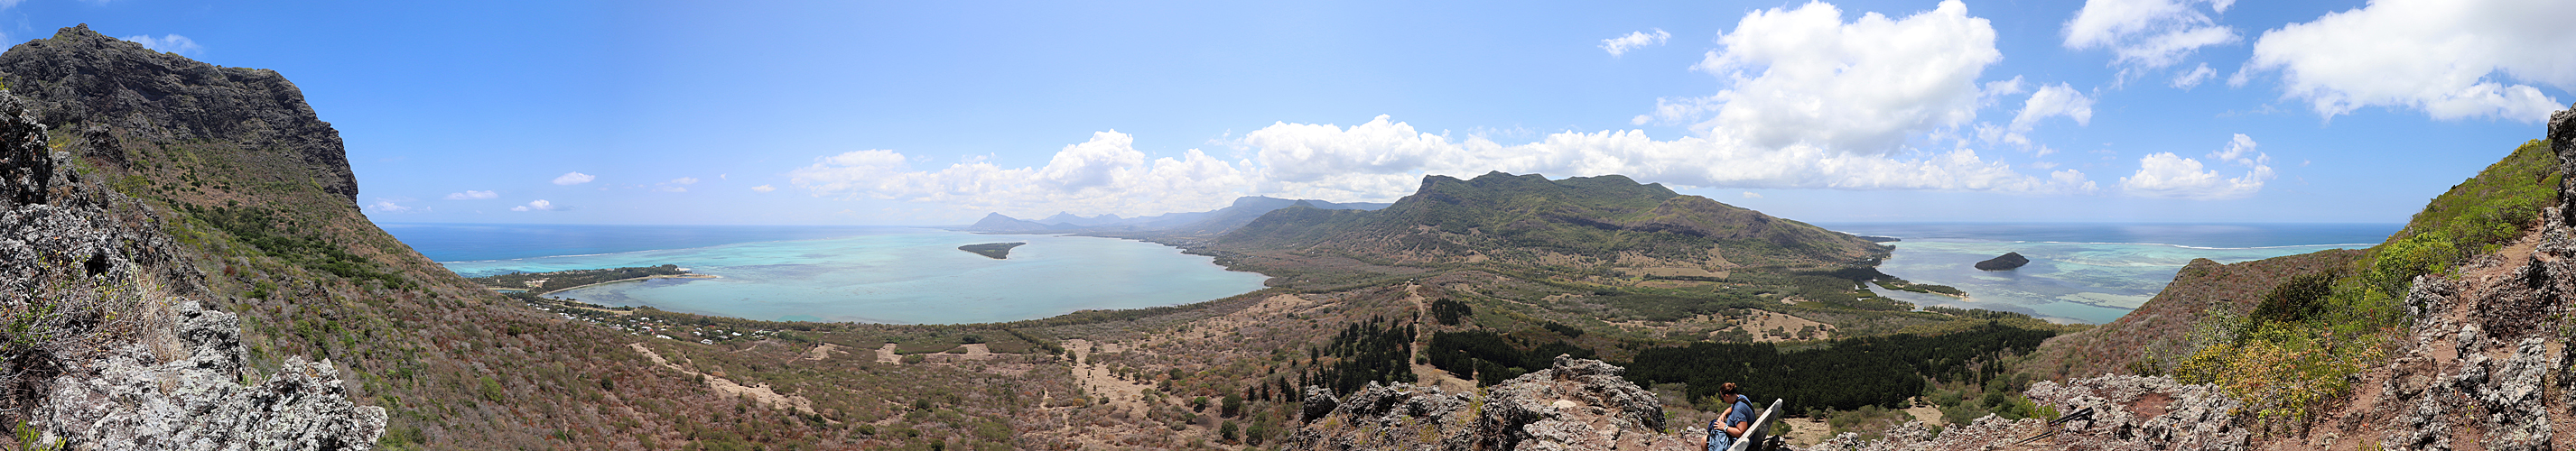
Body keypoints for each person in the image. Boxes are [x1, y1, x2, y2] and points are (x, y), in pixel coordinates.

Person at [1702, 382, 1754, 451]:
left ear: (1727, 396)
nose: (1723, 399)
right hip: (1747, 437)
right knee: (1707, 439)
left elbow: (1741, 432)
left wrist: (1724, 427)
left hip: (1739, 442)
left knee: (1704, 441)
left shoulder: (1738, 409)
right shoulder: (1741, 398)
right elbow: (1732, 408)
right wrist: (1724, 414)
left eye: (1722, 397)